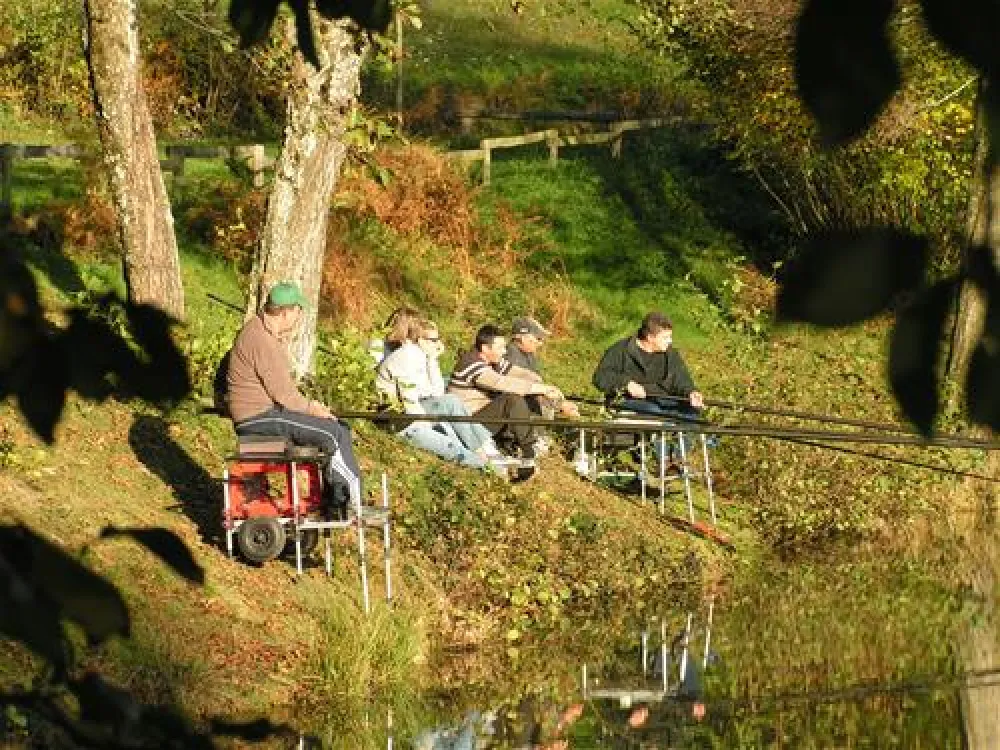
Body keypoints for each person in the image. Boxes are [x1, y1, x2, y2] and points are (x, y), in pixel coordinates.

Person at [226, 281, 361, 514]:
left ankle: (336, 498)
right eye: (299, 310)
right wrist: (312, 408)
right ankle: (348, 500)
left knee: (340, 427)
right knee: (331, 431)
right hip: (257, 417)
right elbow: (285, 395)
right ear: (286, 312)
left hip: (264, 412)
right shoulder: (261, 340)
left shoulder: (259, 332)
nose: (299, 316)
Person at [376, 317, 493, 469]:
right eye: (433, 339)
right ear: (420, 340)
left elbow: (437, 392)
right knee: (453, 447)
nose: (439, 344)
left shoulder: (422, 356)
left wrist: (432, 359)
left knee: (450, 401)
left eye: (439, 339)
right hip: (397, 418)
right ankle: (487, 467)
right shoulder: (404, 357)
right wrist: (428, 426)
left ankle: (484, 451)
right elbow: (408, 398)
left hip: (413, 409)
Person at [448, 324, 564, 460]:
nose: (504, 351)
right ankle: (528, 450)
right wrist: (540, 389)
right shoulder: (470, 363)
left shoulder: (492, 360)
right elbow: (500, 382)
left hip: (486, 413)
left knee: (524, 396)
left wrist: (541, 385)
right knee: (512, 399)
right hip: (469, 421)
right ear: (485, 348)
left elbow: (518, 373)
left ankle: (523, 443)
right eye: (500, 348)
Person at [592, 311, 704, 420]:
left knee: (691, 412)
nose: (670, 341)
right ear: (650, 337)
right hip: (628, 401)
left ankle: (690, 438)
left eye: (670, 337)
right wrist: (626, 384)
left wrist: (691, 392)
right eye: (665, 337)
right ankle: (658, 438)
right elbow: (601, 376)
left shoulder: (671, 354)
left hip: (664, 400)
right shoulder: (621, 350)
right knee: (652, 411)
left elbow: (681, 379)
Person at [506, 316, 580, 420]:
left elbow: (538, 385)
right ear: (523, 338)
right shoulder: (512, 355)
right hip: (517, 415)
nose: (540, 343)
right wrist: (560, 406)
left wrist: (559, 403)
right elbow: (528, 388)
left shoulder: (528, 354)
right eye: (538, 338)